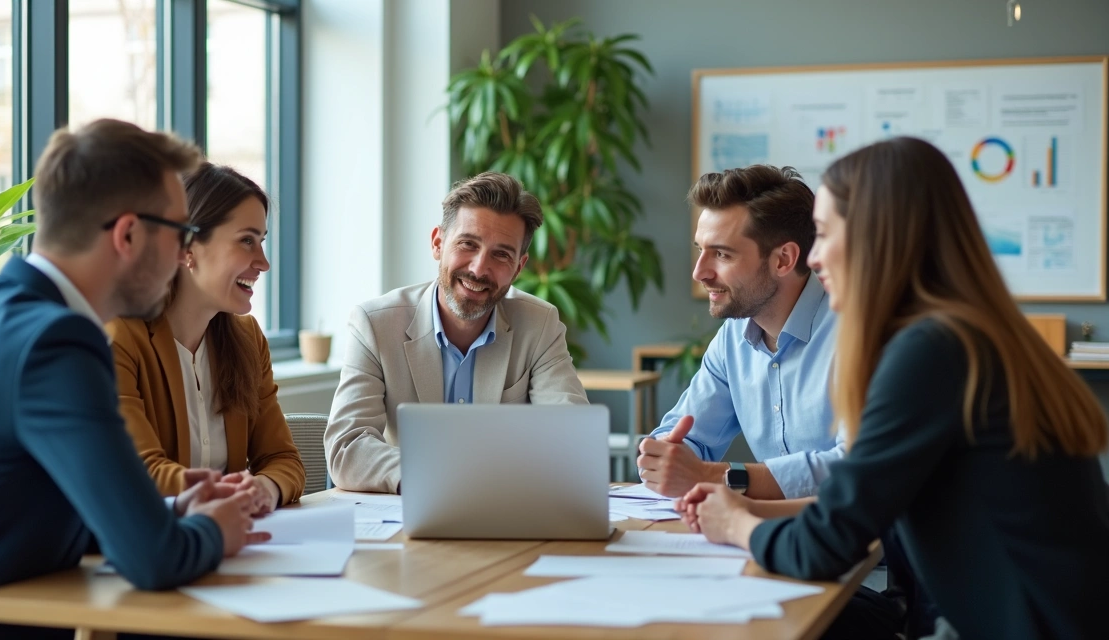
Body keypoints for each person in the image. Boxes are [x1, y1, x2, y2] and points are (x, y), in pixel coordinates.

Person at [678, 137, 1109, 639]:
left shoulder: (929, 351)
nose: (813, 259)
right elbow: (860, 499)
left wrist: (736, 526)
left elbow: (826, 545)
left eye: (823, 235)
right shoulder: (963, 332)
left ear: (875, 238)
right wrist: (744, 507)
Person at [0, 119, 268, 640]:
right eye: (180, 233)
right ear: (129, 235)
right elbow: (153, 560)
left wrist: (174, 507)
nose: (184, 254)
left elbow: (25, 508)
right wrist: (213, 529)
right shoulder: (56, 340)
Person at [324, 171, 589, 493]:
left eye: (501, 254)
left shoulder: (539, 324)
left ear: (519, 267)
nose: (479, 268)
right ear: (438, 243)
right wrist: (436, 476)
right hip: (412, 506)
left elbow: (571, 437)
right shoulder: (374, 324)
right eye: (468, 244)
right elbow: (347, 448)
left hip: (504, 511)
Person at [108, 163, 305, 515]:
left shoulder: (248, 339)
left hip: (230, 542)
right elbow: (139, 471)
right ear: (186, 248)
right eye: (247, 241)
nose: (263, 263)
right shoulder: (119, 335)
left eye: (261, 242)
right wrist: (230, 494)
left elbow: (282, 459)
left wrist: (265, 487)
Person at [638, 165, 842, 500]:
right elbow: (683, 439)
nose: (699, 272)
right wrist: (666, 457)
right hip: (772, 537)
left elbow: (856, 469)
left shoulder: (856, 332)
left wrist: (717, 476)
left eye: (721, 254)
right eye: (699, 250)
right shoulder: (733, 339)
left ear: (783, 260)